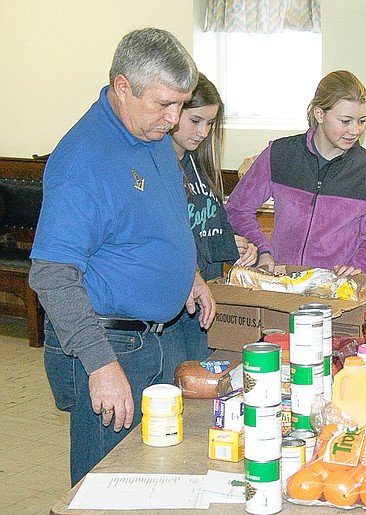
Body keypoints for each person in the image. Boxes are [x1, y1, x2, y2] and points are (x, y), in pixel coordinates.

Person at [29, 28, 214, 486]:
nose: (173, 119)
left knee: (163, 474)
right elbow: (51, 274)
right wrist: (101, 365)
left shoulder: (147, 131)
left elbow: (158, 217)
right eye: (164, 104)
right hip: (113, 347)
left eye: (180, 105)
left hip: (160, 335)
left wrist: (186, 272)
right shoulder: (83, 160)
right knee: (108, 486)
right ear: (123, 86)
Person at [225, 70, 366, 279]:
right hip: (281, 283)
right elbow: (237, 209)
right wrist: (262, 251)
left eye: (361, 121)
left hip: (336, 292)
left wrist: (359, 269)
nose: (355, 130)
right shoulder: (279, 154)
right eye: (345, 121)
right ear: (319, 114)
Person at [160, 74, 258, 384]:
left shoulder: (197, 164)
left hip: (206, 291)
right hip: (175, 296)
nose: (203, 132)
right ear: (174, 113)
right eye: (195, 120)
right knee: (178, 380)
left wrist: (239, 244)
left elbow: (210, 222)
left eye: (210, 123)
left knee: (205, 377)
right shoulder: (158, 165)